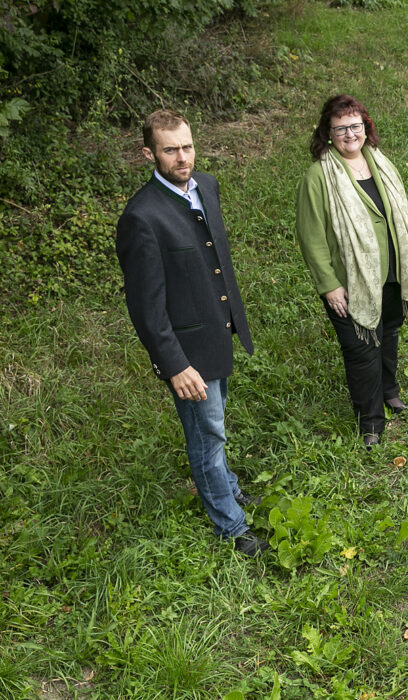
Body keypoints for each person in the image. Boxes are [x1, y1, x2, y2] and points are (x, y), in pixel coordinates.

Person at [115, 109, 266, 557]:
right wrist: (175, 364)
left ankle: (227, 486)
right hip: (187, 351)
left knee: (215, 426)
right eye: (170, 149)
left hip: (217, 333)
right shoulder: (141, 217)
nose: (183, 157)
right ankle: (230, 525)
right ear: (149, 153)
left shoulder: (207, 187)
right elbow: (145, 305)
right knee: (207, 434)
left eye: (187, 146)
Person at [296, 94, 408, 448]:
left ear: (366, 128)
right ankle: (370, 420)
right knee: (360, 349)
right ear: (328, 133)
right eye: (340, 128)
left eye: (355, 126)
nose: (350, 134)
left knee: (389, 334)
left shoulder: (379, 162)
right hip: (350, 282)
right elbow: (311, 237)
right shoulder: (319, 176)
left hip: (391, 274)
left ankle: (389, 390)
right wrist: (329, 286)